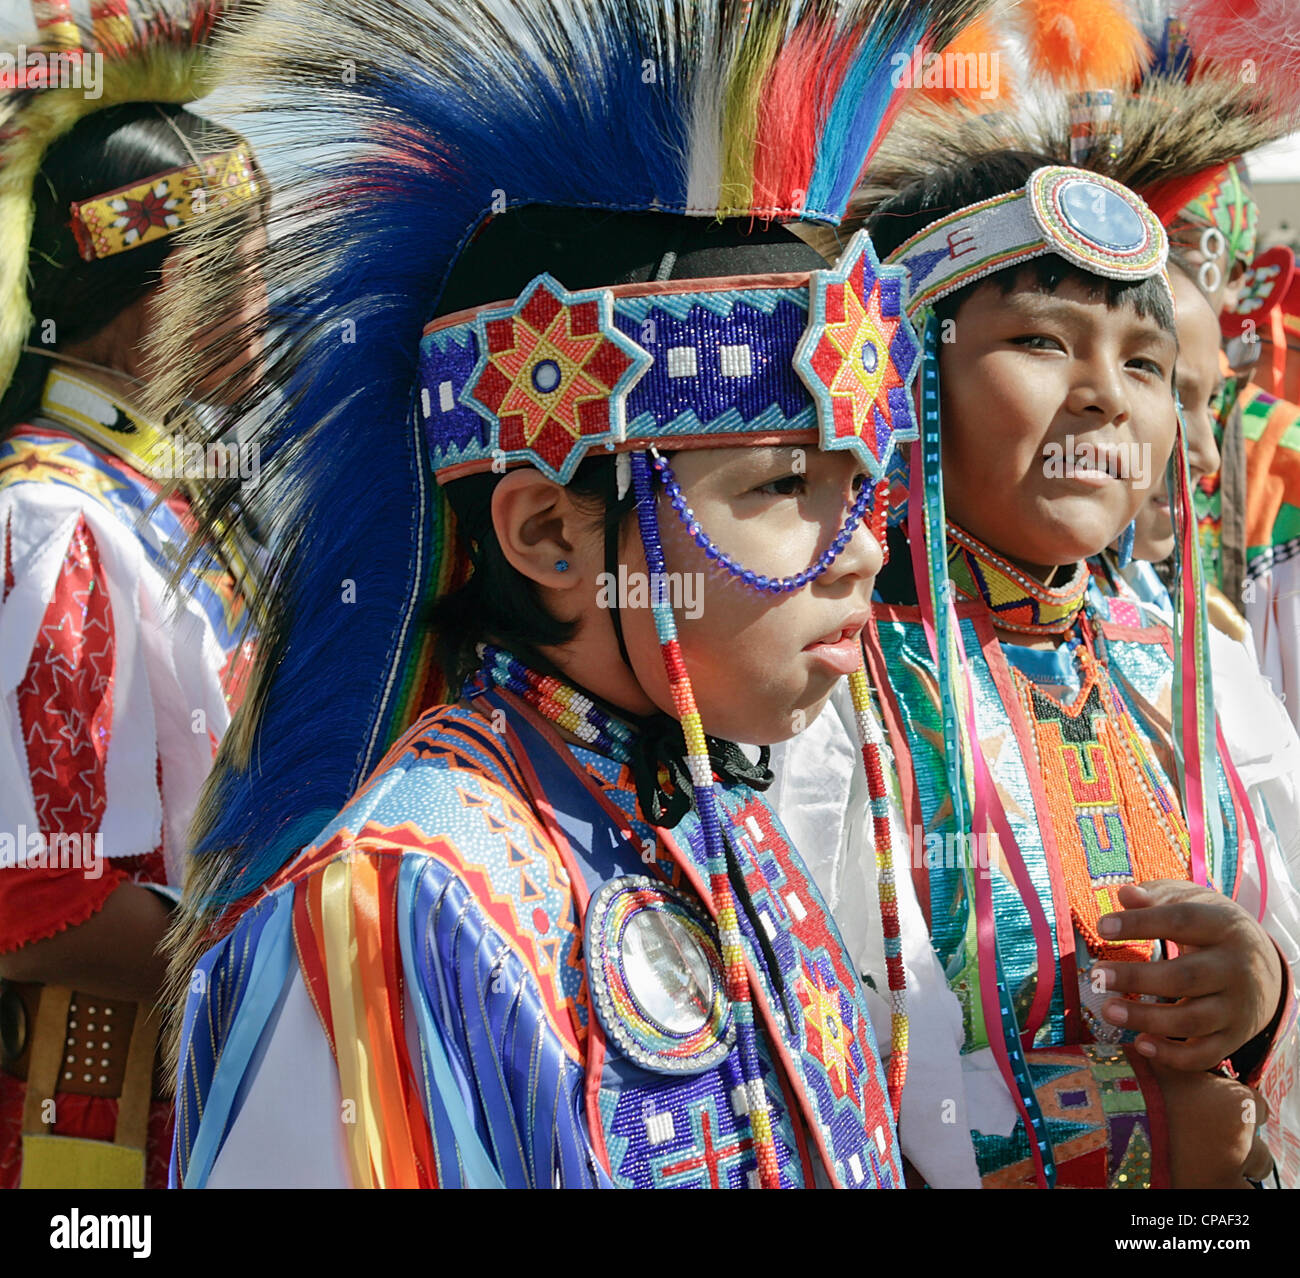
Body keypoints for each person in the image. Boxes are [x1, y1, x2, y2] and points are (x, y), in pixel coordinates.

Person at [157, 0, 993, 1189]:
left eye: (861, 487)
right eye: (783, 484)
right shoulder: (403, 909)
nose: (859, 547)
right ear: (551, 531)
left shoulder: (715, 814)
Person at [775, 142, 1295, 1189]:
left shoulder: (1195, 665)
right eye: (1039, 341)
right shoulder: (828, 673)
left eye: (1143, 363)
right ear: (908, 375)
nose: (1106, 396)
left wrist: (1262, 992)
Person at [0, 0, 260, 1189]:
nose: (270, 308)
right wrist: (300, 963)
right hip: (81, 1115)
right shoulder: (54, 513)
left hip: (184, 1078)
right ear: (163, 291)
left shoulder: (152, 493)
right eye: (252, 271)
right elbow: (34, 892)